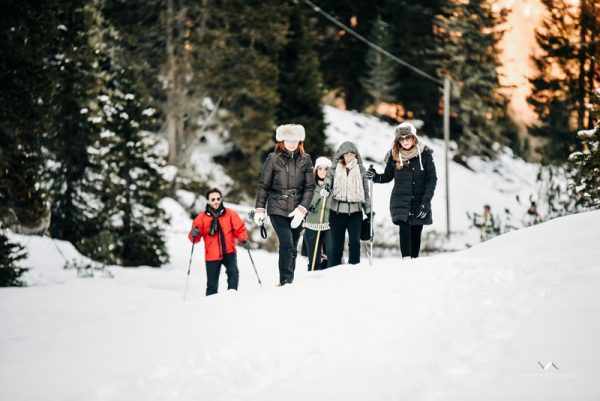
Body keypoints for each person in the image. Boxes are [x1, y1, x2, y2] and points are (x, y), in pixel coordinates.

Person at [253, 124, 315, 285]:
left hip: (297, 209)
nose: (292, 143)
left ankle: (290, 281)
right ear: (282, 140)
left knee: (293, 247)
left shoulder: (306, 159)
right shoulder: (272, 159)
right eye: (288, 140)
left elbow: (310, 187)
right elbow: (263, 186)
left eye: (295, 140)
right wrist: (260, 209)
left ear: (300, 141)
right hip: (277, 206)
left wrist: (302, 209)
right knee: (286, 243)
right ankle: (285, 280)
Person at [366, 122, 437, 259]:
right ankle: (406, 261)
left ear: (414, 138)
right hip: (400, 201)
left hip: (419, 201)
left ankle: (414, 262)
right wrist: (375, 177)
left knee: (416, 232)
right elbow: (387, 177)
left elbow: (432, 180)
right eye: (402, 139)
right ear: (398, 140)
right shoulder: (393, 156)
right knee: (404, 229)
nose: (405, 141)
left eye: (408, 138)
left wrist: (425, 202)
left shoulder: (426, 155)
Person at [188, 188, 250, 296]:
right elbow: (194, 239)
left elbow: (239, 229)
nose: (216, 201)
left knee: (233, 273)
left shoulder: (230, 214)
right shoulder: (201, 218)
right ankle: (210, 305)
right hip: (212, 255)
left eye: (218, 199)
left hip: (229, 252)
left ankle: (232, 296)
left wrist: (243, 239)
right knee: (212, 285)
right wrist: (194, 234)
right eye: (213, 199)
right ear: (208, 201)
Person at [322, 141, 371, 267]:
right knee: (336, 246)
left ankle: (354, 271)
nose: (349, 157)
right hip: (337, 213)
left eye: (352, 154)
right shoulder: (334, 169)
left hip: (355, 213)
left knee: (354, 244)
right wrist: (326, 188)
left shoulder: (361, 170)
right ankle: (334, 271)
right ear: (341, 155)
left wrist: (369, 211)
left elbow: (365, 191)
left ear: (356, 155)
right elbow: (327, 181)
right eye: (346, 154)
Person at [303, 156, 333, 271]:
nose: (323, 172)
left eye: (326, 169)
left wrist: (329, 196)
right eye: (320, 168)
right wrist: (319, 195)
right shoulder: (309, 184)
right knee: (313, 256)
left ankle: (330, 278)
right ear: (316, 170)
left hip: (329, 223)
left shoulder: (334, 185)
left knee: (331, 252)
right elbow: (307, 203)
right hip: (312, 223)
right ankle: (312, 277)